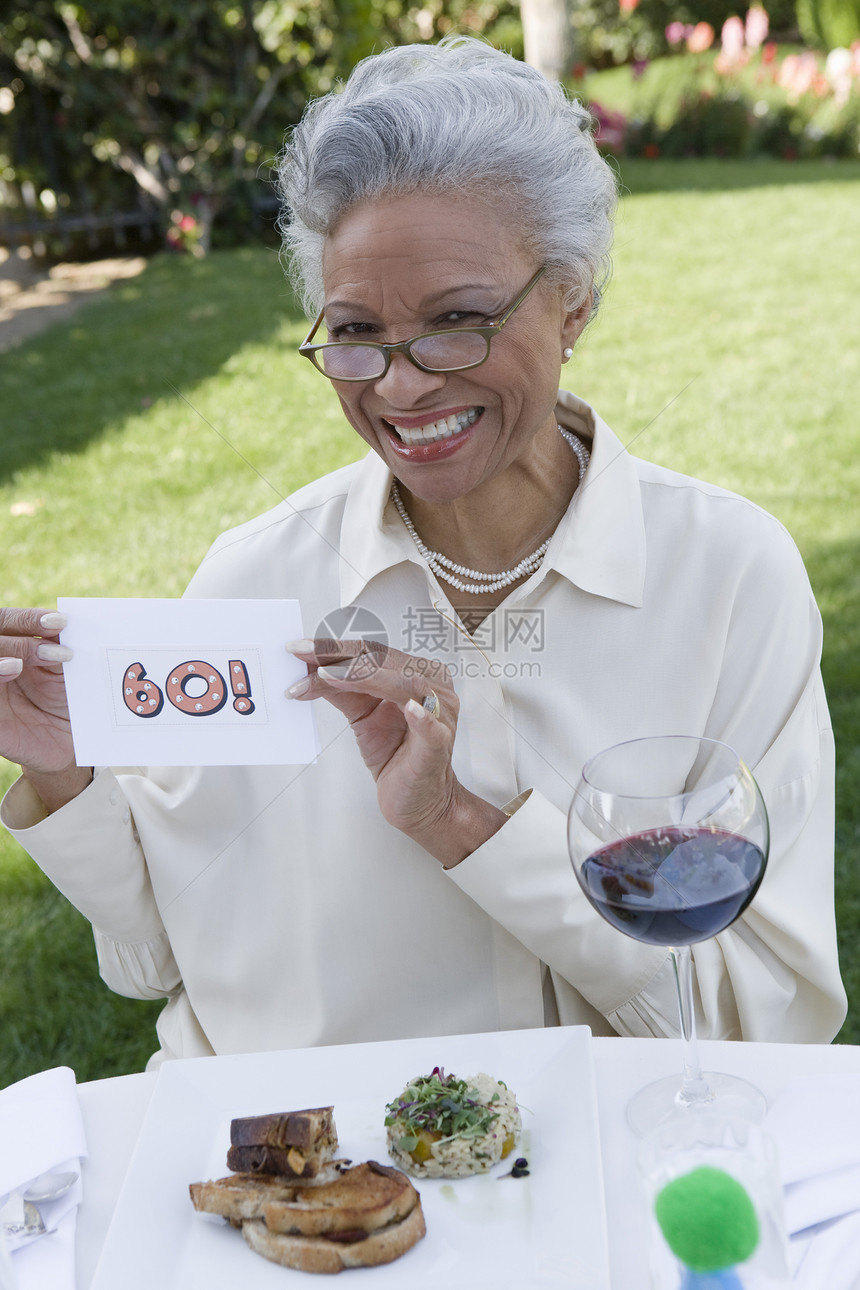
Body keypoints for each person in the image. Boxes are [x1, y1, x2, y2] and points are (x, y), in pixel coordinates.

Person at [0, 38, 845, 1067]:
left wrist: (460, 824)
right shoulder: (255, 581)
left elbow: (760, 1023)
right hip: (303, 1187)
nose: (399, 390)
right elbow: (155, 957)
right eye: (355, 332)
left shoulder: (725, 581)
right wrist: (65, 772)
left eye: (457, 322)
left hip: (604, 1173)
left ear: (572, 301)